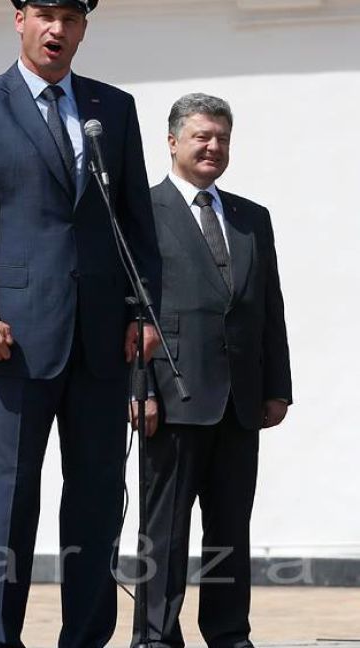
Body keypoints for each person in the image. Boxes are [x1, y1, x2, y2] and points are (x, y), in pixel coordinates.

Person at [0, 0, 164, 645]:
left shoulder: (112, 110)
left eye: (70, 18)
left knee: (97, 500)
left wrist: (142, 312)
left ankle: (85, 637)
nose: (56, 29)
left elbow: (135, 224)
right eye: (44, 14)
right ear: (20, 20)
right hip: (14, 342)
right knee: (8, 501)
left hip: (101, 341)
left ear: (84, 27)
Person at [131, 93, 292, 648]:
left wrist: (277, 387)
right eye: (202, 136)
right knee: (165, 531)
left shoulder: (251, 218)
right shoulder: (142, 211)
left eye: (222, 138)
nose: (213, 147)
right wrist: (139, 388)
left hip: (240, 402)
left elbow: (268, 307)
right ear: (172, 141)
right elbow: (131, 310)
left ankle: (228, 633)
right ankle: (155, 636)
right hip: (171, 396)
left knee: (229, 530)